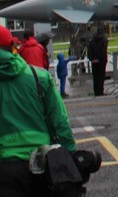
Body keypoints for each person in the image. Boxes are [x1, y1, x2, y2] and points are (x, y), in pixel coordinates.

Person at [0, 24, 77, 197]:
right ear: (12, 47)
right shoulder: (39, 77)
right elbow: (60, 122)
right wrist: (71, 154)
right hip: (41, 162)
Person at [87, 29, 108, 97]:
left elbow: (89, 50)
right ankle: (100, 91)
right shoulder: (104, 40)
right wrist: (99, 59)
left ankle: (96, 91)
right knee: (101, 77)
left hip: (94, 62)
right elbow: (103, 51)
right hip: (101, 61)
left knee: (95, 77)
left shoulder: (92, 41)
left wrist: (92, 59)